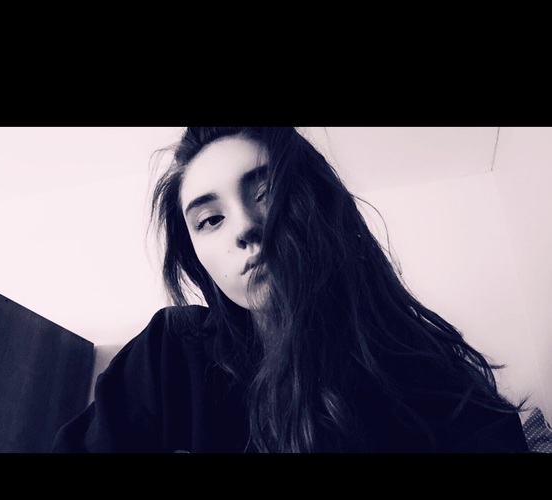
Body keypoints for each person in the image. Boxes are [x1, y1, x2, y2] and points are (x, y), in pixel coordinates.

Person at [51, 126, 530, 453]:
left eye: (267, 193)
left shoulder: (439, 389)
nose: (244, 227)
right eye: (210, 219)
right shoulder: (171, 353)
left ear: (323, 205)